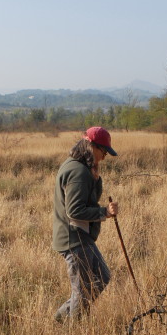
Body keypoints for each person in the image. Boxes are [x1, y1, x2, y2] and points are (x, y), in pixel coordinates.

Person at [52, 126, 119, 321]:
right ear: (91, 146)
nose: (104, 157)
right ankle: (70, 331)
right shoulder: (78, 172)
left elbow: (87, 199)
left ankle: (60, 320)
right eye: (103, 151)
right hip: (74, 238)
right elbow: (74, 210)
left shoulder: (79, 167)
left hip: (81, 236)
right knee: (82, 292)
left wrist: (96, 179)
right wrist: (104, 212)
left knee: (102, 278)